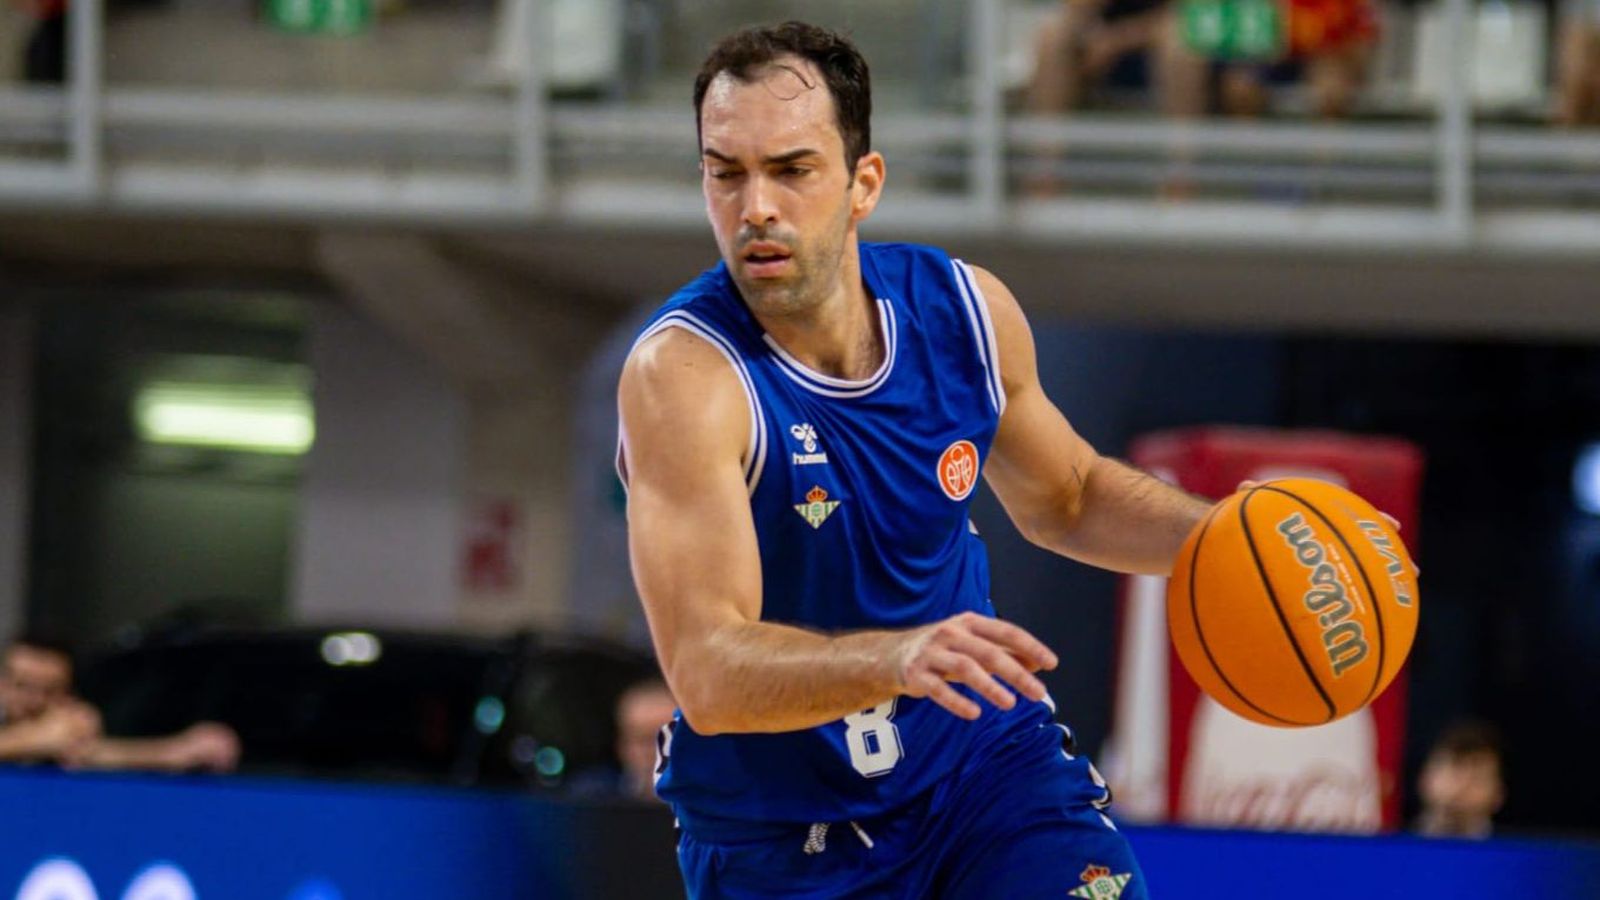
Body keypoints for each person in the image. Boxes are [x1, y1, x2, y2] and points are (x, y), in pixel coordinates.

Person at [616, 21, 1210, 898]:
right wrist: (896, 658)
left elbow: (1072, 497)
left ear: (864, 183)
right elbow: (707, 671)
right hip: (780, 834)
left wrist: (1231, 537)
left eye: (791, 169)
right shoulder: (686, 376)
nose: (756, 208)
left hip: (983, 775)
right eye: (725, 173)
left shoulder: (964, 312)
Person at [0, 633, 240, 774]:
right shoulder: (53, 734)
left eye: (50, 691)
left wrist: (180, 749)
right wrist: (38, 739)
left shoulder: (67, 731)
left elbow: (95, 753)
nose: (34, 701)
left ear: (69, 694)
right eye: (22, 686)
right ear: (2, 685)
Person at [1413, 720, 1505, 839]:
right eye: (1453, 772)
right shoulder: (1393, 842)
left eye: (1476, 778)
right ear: (1424, 779)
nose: (1462, 786)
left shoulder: (1516, 849)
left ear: (1499, 794)